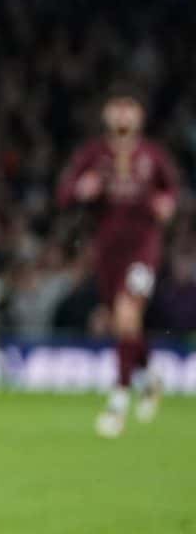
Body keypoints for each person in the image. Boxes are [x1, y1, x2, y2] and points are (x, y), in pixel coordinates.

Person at [56, 92, 180, 436]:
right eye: (118, 108)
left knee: (127, 314)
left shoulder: (153, 156)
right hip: (107, 253)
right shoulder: (93, 156)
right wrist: (82, 190)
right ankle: (151, 373)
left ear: (139, 116)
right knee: (124, 324)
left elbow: (172, 191)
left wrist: (166, 204)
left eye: (130, 109)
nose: (123, 115)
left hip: (144, 249)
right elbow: (63, 194)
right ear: (107, 115)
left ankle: (118, 400)